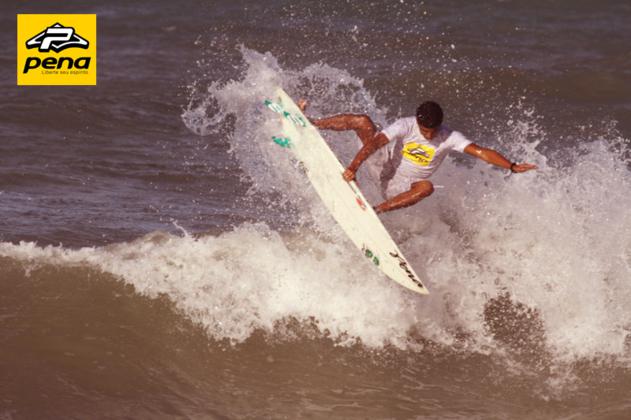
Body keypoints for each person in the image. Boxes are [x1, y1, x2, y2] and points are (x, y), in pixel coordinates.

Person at [298, 99, 537, 214]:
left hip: (399, 188)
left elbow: (482, 152)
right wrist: (353, 168)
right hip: (382, 166)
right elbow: (376, 142)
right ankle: (312, 122)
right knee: (362, 121)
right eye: (425, 130)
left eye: (433, 130)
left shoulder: (449, 137)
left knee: (427, 187)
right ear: (418, 121)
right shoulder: (406, 125)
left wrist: (512, 166)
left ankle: (375, 210)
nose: (429, 134)